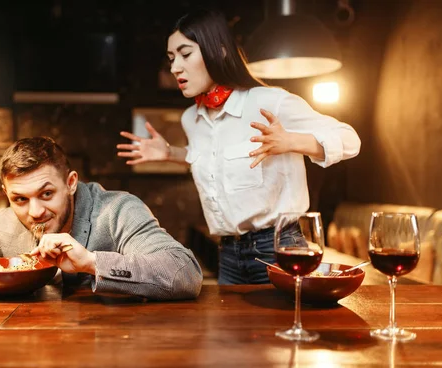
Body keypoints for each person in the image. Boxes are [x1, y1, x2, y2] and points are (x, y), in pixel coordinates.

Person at [116, 8, 361, 285]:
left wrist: (291, 141)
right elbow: (215, 159)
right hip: (228, 253)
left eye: (185, 54)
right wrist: (171, 154)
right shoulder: (191, 118)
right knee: (230, 330)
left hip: (279, 247)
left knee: (284, 327)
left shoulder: (268, 101)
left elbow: (350, 139)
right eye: (171, 58)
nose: (175, 68)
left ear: (218, 51)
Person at [0, 136, 203, 300]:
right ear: (6, 194)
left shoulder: (118, 210)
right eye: (19, 199)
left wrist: (92, 264)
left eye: (46, 194)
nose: (34, 212)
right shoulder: (4, 225)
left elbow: (185, 274)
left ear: (71, 183)